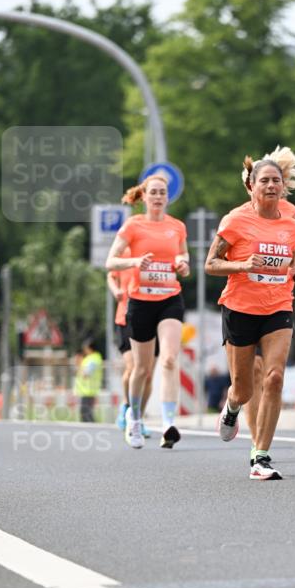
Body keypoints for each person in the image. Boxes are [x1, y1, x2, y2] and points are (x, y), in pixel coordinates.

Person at [205, 150, 295, 480]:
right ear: (251, 186)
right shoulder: (236, 221)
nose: (271, 186)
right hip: (239, 308)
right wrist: (242, 265)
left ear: (283, 188)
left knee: (275, 377)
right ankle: (232, 408)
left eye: (276, 181)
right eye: (264, 181)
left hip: (278, 307)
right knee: (243, 389)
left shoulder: (291, 222)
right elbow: (211, 264)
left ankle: (261, 456)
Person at [105, 173, 190, 449]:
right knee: (141, 369)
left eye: (162, 193)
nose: (157, 197)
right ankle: (134, 418)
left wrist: (182, 264)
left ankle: (168, 424)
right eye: (153, 192)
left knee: (168, 359)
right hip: (140, 301)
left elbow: (183, 256)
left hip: (169, 298)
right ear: (144, 196)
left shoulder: (177, 227)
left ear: (167, 197)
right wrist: (135, 262)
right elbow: (111, 261)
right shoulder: (133, 226)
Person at [107, 250, 158, 436]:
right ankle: (127, 405)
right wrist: (116, 291)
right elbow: (111, 276)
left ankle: (138, 418)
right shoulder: (125, 254)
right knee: (134, 367)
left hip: (151, 317)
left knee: (148, 374)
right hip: (125, 318)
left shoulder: (156, 252)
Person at [74, 339, 103, 422]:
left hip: (88, 391)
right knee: (86, 413)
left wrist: (79, 365)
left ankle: (92, 430)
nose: (84, 351)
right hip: (88, 390)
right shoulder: (93, 358)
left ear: (89, 348)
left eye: (85, 348)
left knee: (85, 413)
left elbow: (86, 374)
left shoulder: (92, 359)